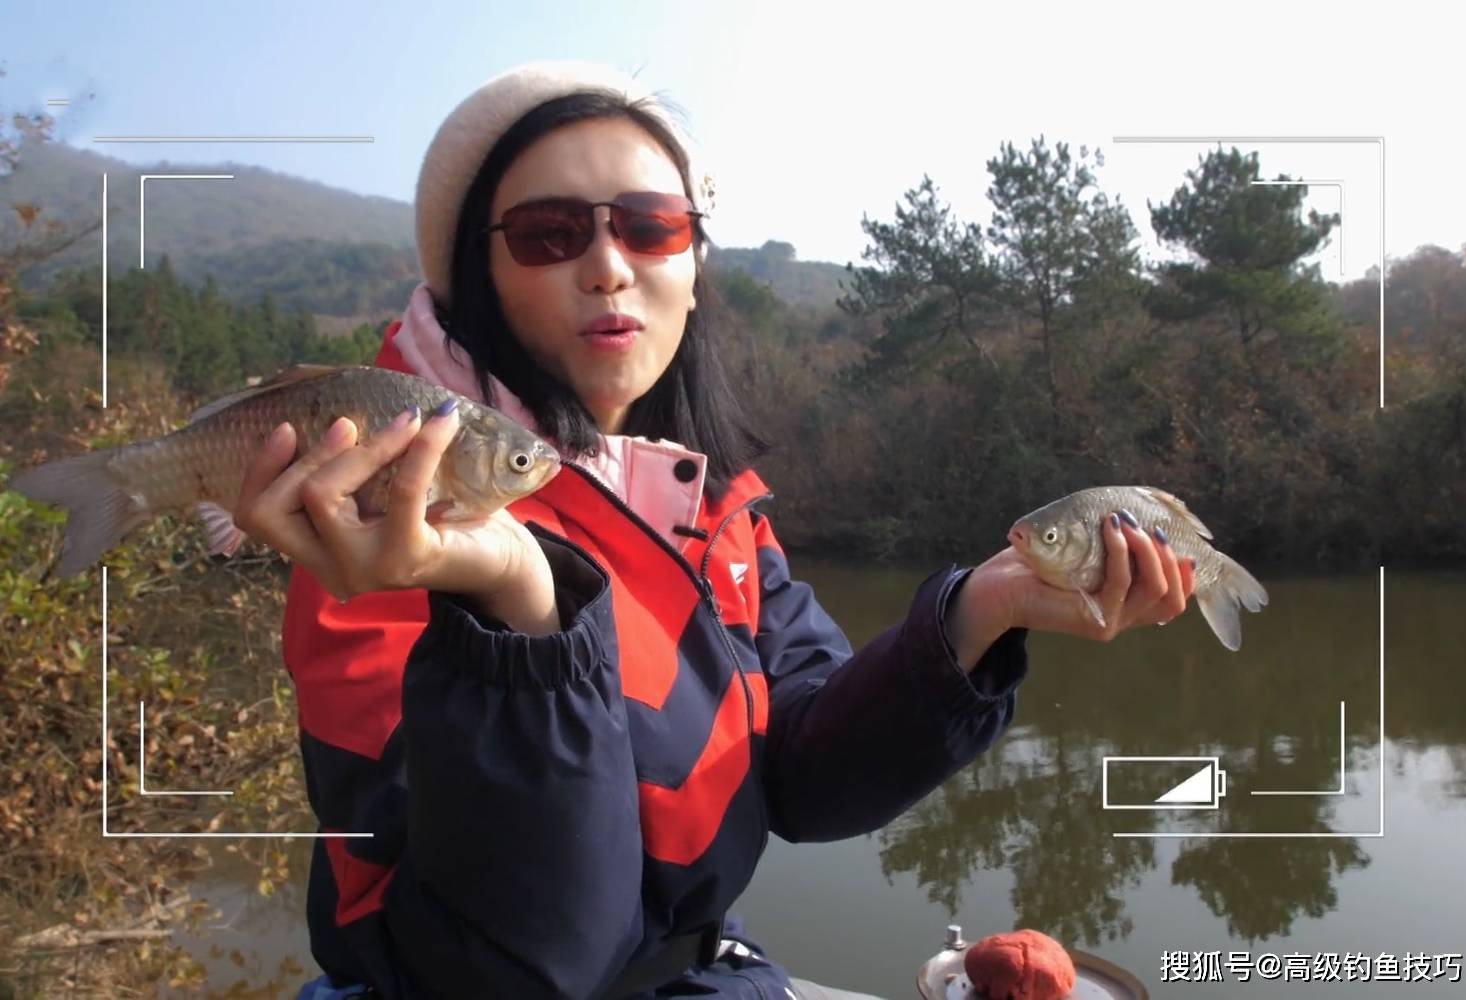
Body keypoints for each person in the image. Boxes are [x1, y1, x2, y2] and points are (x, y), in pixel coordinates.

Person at [232, 61, 1197, 1000]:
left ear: (693, 267)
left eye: (651, 228)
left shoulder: (710, 505)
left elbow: (807, 779)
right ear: (475, 276)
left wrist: (977, 616)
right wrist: (520, 607)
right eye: (548, 233)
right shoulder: (386, 509)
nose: (609, 267)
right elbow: (507, 963)